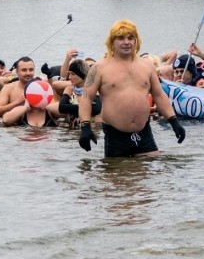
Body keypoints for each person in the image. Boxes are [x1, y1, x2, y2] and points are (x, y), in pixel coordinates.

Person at [77, 20, 185, 157]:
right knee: (119, 175)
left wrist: (174, 121)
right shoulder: (99, 68)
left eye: (130, 38)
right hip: (115, 134)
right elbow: (86, 98)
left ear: (136, 41)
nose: (126, 42)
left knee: (150, 174)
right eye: (121, 38)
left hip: (143, 131)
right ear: (112, 42)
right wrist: (85, 127)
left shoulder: (147, 66)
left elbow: (159, 95)